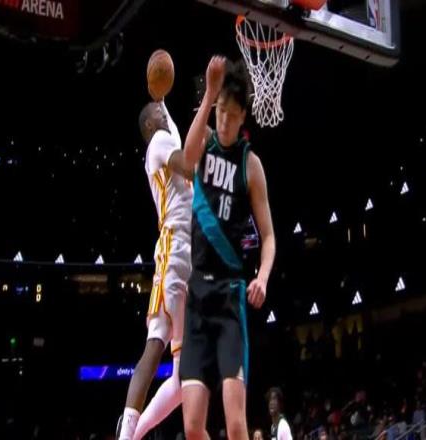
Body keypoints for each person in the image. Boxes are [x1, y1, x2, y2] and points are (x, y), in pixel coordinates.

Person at [178, 55, 276, 440]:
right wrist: (209, 94)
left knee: (236, 425)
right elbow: (186, 160)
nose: (224, 121)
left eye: (232, 115)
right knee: (192, 427)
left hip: (229, 296)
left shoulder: (251, 165)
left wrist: (262, 277)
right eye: (220, 111)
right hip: (197, 296)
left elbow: (269, 236)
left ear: (243, 117)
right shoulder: (204, 142)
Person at [116, 93, 193, 440]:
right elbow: (189, 166)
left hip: (182, 251)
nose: (165, 113)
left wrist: (162, 93)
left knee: (178, 376)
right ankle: (128, 432)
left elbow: (171, 120)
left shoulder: (166, 134)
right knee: (158, 346)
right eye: (159, 112)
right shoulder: (160, 141)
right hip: (176, 249)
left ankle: (131, 434)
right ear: (150, 124)